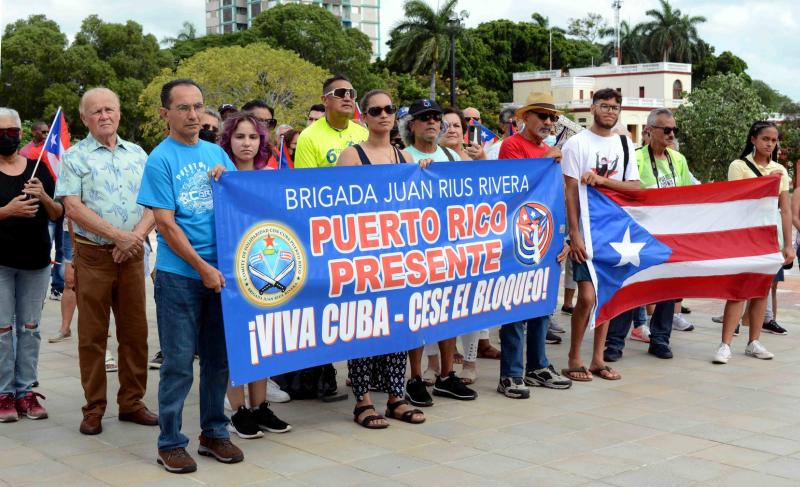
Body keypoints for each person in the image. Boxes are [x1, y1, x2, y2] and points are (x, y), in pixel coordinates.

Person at [137, 79, 242, 473]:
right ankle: (170, 441)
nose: (193, 115)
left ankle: (215, 432)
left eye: (198, 106)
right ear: (165, 114)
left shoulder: (217, 152)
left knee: (218, 361)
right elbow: (164, 224)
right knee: (179, 363)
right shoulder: (160, 159)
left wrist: (227, 180)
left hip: (223, 276)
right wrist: (203, 268)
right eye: (183, 108)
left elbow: (242, 201)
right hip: (180, 276)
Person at [56, 88, 158, 435]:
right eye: (96, 111)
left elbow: (155, 202)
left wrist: (136, 238)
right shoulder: (74, 156)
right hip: (95, 255)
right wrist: (117, 236)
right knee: (92, 336)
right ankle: (94, 408)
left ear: (119, 112)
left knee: (135, 333)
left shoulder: (138, 154)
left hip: (131, 256)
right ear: (84, 118)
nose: (104, 115)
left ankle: (132, 402)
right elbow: (72, 206)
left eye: (109, 109)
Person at [337, 89, 426, 429]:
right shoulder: (351, 155)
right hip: (362, 256)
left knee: (398, 328)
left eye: (389, 109)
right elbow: (339, 207)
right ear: (364, 116)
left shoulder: (404, 159)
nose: (384, 115)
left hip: (398, 257)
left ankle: (395, 396)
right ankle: (362, 401)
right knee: (363, 327)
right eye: (376, 110)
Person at [217, 111, 292, 438]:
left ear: (261, 141)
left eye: (252, 137)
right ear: (228, 141)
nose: (246, 143)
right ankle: (238, 411)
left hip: (265, 273)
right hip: (230, 275)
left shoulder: (270, 177)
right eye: (239, 137)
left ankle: (260, 407)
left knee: (262, 340)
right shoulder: (219, 176)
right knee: (234, 343)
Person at [399, 99, 477, 405]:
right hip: (416, 248)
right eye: (424, 118)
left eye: (435, 118)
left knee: (450, 312)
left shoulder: (451, 156)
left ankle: (446, 375)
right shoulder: (403, 157)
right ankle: (415, 377)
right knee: (417, 313)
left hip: (450, 246)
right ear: (412, 125)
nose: (432, 122)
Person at [494, 92, 572, 398]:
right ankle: (511, 373)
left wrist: (564, 236)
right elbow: (516, 184)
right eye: (542, 115)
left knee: (542, 305)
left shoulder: (548, 151)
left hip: (545, 232)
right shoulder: (512, 145)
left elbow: (558, 198)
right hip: (517, 234)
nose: (548, 121)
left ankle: (537, 365)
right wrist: (547, 159)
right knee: (514, 304)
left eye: (552, 117)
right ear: (524, 117)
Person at [561, 88, 640, 382]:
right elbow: (570, 191)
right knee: (586, 296)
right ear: (593, 108)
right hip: (586, 230)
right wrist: (574, 233)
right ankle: (573, 357)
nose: (610, 111)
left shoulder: (625, 144)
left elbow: (635, 186)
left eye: (615, 107)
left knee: (605, 295)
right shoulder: (576, 144)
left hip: (614, 229)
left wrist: (603, 180)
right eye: (604, 106)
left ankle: (597, 358)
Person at [604, 108, 695, 362]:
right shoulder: (635, 159)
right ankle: (614, 344)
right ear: (648, 131)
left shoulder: (678, 159)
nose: (671, 134)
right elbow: (624, 194)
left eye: (674, 130)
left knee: (666, 288)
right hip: (638, 236)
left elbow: (687, 195)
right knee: (631, 287)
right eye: (666, 129)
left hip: (669, 236)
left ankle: (660, 339)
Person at [713, 121, 794, 364]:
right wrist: (768, 181)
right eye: (765, 139)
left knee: (761, 290)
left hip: (769, 237)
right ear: (753, 140)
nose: (770, 143)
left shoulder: (780, 169)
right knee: (738, 290)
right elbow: (739, 198)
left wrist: (788, 244)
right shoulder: (739, 166)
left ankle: (753, 341)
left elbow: (785, 210)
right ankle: (725, 343)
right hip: (744, 236)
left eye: (773, 140)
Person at [0, 107, 62, 422]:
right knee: (3, 330)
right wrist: (6, 211)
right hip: (1, 264)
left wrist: (45, 197)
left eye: (13, 131)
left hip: (36, 263)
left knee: (30, 328)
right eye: (2, 133)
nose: (8, 137)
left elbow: (56, 213)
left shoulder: (38, 169)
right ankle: (3, 393)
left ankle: (25, 391)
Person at [294, 75, 368, 168]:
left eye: (352, 94)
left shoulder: (364, 133)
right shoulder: (308, 137)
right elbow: (306, 181)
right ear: (324, 100)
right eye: (340, 93)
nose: (347, 98)